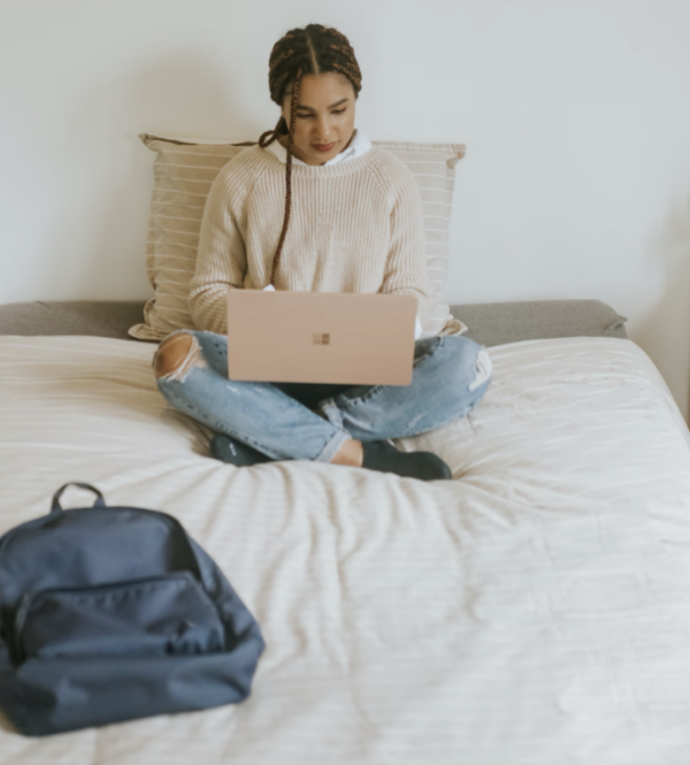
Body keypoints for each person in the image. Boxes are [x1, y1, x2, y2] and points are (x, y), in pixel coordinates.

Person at [152, 24, 492, 481]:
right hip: (266, 370)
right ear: (281, 107)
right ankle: (359, 452)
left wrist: (380, 333)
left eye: (339, 110)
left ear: (357, 98)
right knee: (174, 358)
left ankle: (276, 435)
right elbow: (208, 290)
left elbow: (411, 289)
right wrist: (265, 318)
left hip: (369, 376)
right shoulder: (241, 178)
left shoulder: (392, 178)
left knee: (469, 365)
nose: (324, 130)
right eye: (305, 113)